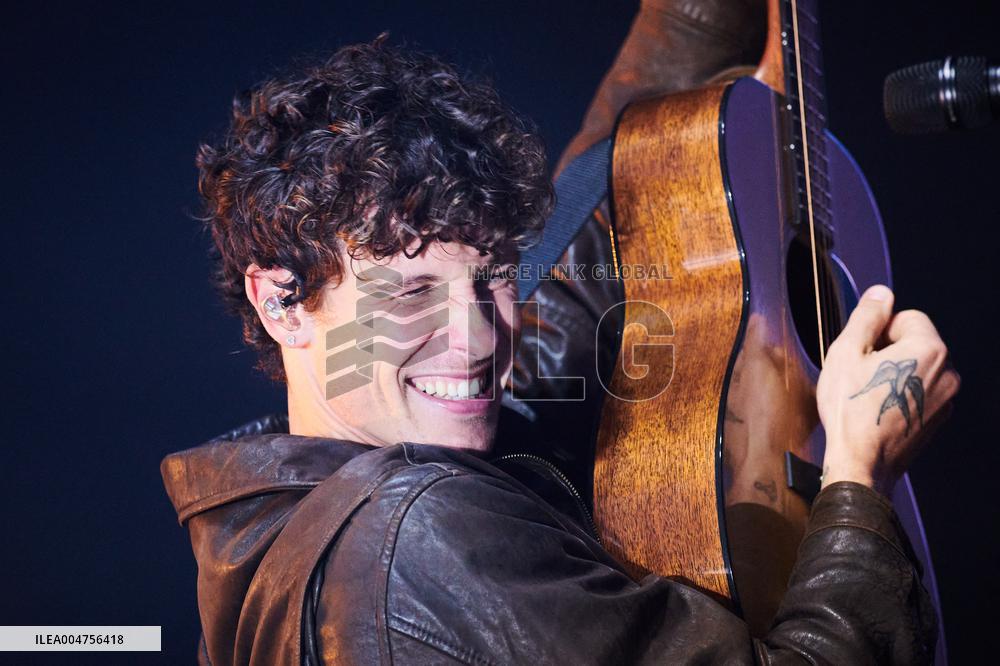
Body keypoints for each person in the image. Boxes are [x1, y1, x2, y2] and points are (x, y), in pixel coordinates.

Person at [161, 20, 958, 666]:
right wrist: (860, 475)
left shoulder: (281, 524)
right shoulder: (421, 538)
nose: (479, 338)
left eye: (493, 277)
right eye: (411, 292)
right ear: (283, 301)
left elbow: (598, 217)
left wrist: (693, 36)